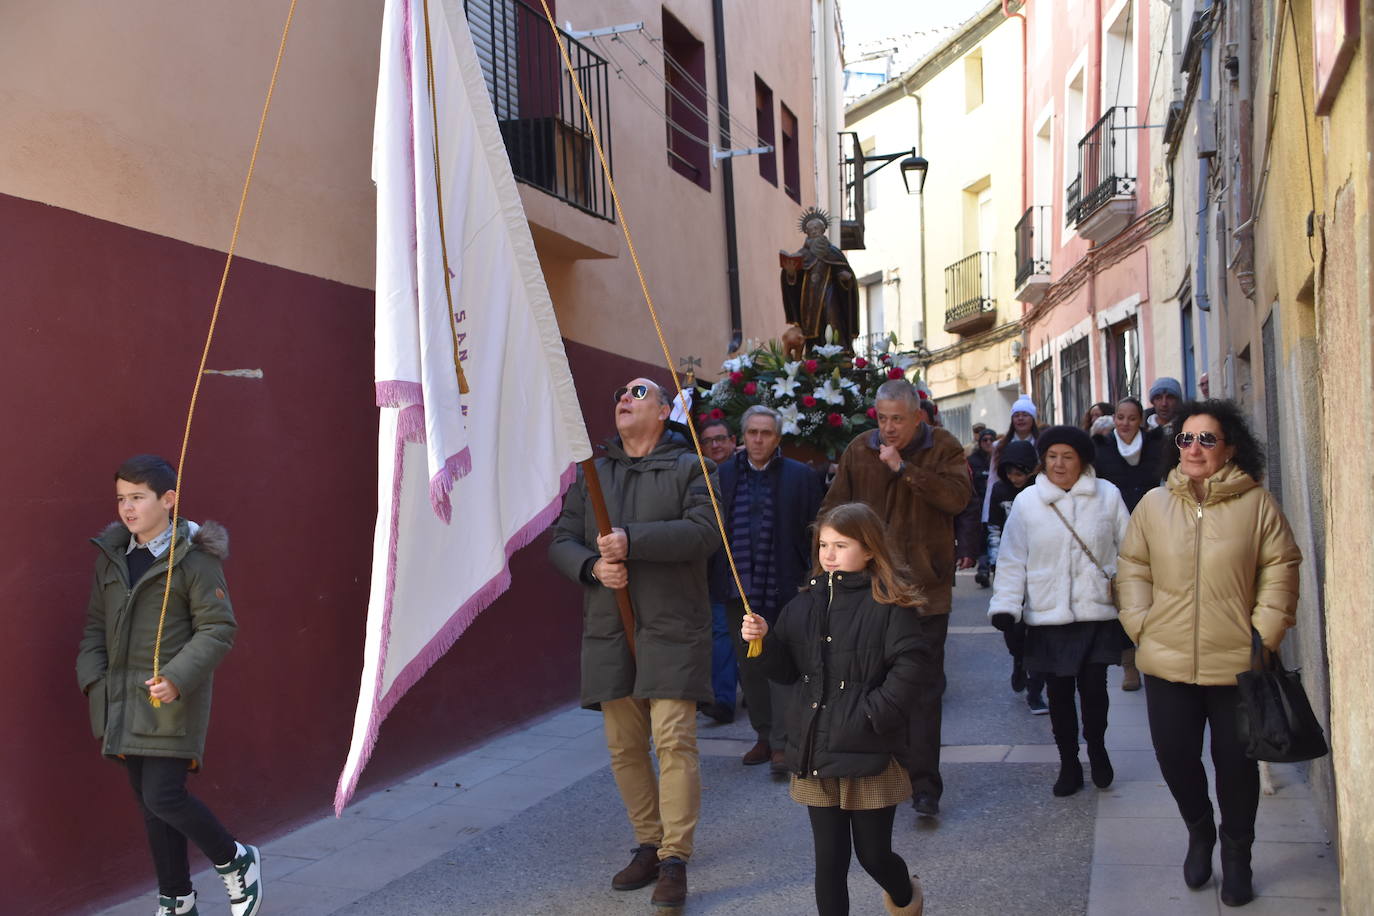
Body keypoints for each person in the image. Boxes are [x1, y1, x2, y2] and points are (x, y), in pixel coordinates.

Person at [1117, 400, 1301, 907]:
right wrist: (1141, 626)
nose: (1194, 448)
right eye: (1185, 439)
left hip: (1237, 668)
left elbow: (1280, 569)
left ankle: (1238, 855)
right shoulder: (1154, 505)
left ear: (1230, 449)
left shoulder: (1257, 504)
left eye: (1206, 439)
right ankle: (1200, 832)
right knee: (1176, 760)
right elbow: (1132, 568)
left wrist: (1261, 637)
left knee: (1236, 768)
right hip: (1167, 663)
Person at [549, 378, 722, 909]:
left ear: (666, 411)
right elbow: (562, 539)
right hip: (609, 625)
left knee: (672, 740)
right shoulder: (593, 474)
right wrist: (593, 566)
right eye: (620, 393)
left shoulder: (694, 469)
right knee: (624, 747)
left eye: (639, 393)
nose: (624, 397)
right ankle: (648, 842)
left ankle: (674, 857)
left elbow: (705, 532)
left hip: (673, 626)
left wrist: (632, 541)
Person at [76, 455, 263, 916]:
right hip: (121, 701)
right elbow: (94, 629)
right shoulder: (114, 558)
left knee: (163, 795)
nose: (128, 508)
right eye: (122, 498)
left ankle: (236, 860)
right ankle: (176, 900)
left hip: (168, 701)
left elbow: (218, 628)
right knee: (149, 804)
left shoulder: (194, 560)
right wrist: (94, 682)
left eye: (138, 497)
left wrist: (177, 679)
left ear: (169, 499)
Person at [742, 503, 929, 916]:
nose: (828, 553)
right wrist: (763, 638)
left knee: (873, 856)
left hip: (868, 748)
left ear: (869, 549)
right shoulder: (804, 603)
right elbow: (787, 672)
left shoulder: (889, 605)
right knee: (829, 863)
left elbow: (912, 667)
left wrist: (872, 715)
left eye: (840, 545)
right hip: (815, 749)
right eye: (824, 544)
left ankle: (905, 897)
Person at [821, 378, 973, 818]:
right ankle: (887, 774)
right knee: (873, 687)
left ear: (917, 417)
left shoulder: (943, 446)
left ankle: (926, 787)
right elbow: (833, 508)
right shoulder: (858, 450)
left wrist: (905, 470)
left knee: (924, 691)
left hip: (926, 593)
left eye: (897, 421)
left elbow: (957, 499)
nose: (888, 429)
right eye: (882, 419)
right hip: (870, 592)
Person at [988, 427, 1131, 797]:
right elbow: (1012, 558)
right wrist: (1006, 605)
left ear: (1082, 460)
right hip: (1048, 616)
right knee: (1060, 696)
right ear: (1042, 460)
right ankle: (1068, 763)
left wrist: (1133, 600)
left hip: (1096, 613)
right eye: (1052, 456)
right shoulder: (1028, 502)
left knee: (1095, 692)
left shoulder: (1108, 496)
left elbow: (1130, 552)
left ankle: (1097, 749)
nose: (1059, 464)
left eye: (1067, 456)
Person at [710, 405, 824, 774]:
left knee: (784, 664)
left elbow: (815, 531)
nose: (758, 439)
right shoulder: (722, 476)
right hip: (737, 587)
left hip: (786, 586)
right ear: (742, 437)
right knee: (750, 666)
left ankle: (784, 742)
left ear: (778, 439)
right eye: (752, 433)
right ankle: (764, 735)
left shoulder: (801, 477)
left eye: (766, 433)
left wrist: (813, 580)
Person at [1091, 397, 1164, 691]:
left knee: (1156, 593)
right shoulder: (1102, 449)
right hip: (1116, 534)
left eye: (1131, 418)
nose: (1125, 424)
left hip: (1153, 530)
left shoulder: (1156, 447)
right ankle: (1129, 664)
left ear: (1141, 421)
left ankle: (1154, 653)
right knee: (1123, 596)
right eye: (1120, 417)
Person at [984, 439, 1047, 714]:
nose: (1015, 478)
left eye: (1020, 472)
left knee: (1039, 631)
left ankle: (1036, 690)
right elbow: (994, 528)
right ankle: (1018, 659)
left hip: (1040, 569)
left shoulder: (1040, 492)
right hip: (1009, 569)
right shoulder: (1000, 490)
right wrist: (996, 564)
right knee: (1013, 628)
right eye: (1010, 472)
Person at [698, 418, 740, 724]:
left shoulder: (745, 472)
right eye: (709, 440)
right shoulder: (697, 477)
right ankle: (722, 699)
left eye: (721, 439)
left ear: (733, 440)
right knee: (721, 631)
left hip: (749, 565)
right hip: (712, 568)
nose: (715, 445)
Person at [780, 207, 859, 351]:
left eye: (817, 227)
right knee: (813, 326)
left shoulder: (833, 252)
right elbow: (793, 285)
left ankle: (838, 353)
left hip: (830, 293)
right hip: (809, 298)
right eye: (811, 229)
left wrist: (844, 278)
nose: (814, 231)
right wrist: (791, 274)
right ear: (806, 232)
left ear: (823, 229)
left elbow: (843, 271)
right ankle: (815, 354)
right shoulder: (801, 255)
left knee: (832, 319)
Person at [968, 428, 997, 587]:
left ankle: (995, 569)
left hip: (996, 504)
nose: (988, 443)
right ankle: (983, 570)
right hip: (979, 505)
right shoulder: (973, 460)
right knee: (982, 539)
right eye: (984, 440)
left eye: (990, 440)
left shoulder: (1000, 457)